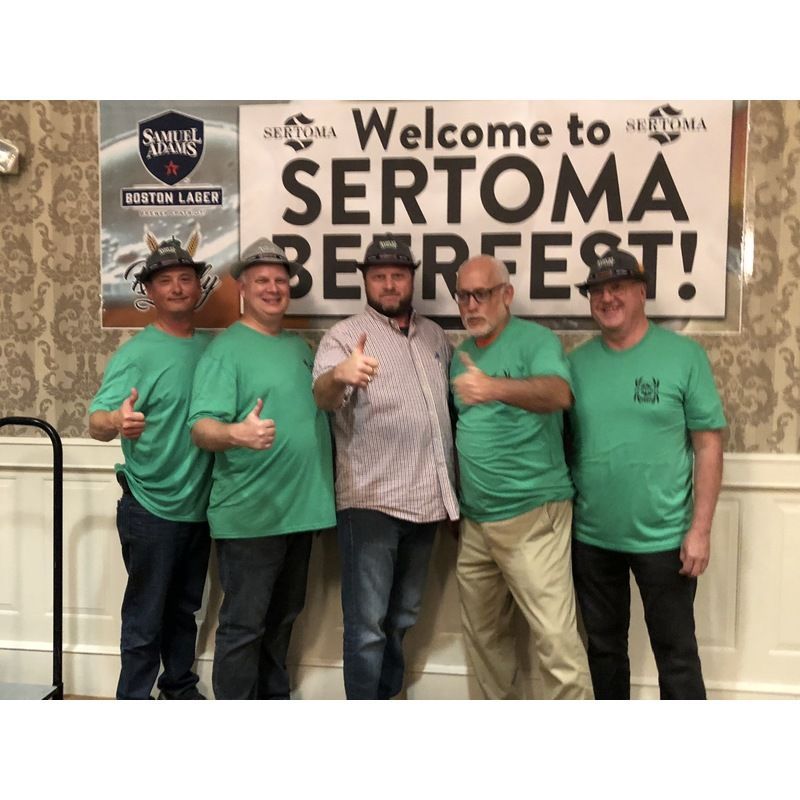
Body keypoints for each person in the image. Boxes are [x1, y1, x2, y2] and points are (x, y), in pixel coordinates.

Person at [568, 248, 726, 700]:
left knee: (676, 655)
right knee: (603, 651)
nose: (606, 298)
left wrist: (701, 529)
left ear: (642, 292)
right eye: (597, 291)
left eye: (617, 287)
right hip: (592, 538)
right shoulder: (575, 365)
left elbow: (708, 443)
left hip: (666, 540)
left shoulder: (683, 356)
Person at [312, 234, 459, 700]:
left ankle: (387, 699)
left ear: (412, 278)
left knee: (402, 619)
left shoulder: (436, 337)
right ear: (365, 281)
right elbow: (323, 396)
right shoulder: (344, 337)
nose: (390, 284)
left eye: (398, 274)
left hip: (427, 503)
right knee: (367, 626)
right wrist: (341, 375)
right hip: (371, 503)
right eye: (379, 276)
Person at [188, 237, 335, 700]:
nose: (273, 289)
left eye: (279, 280)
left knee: (283, 620)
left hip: (300, 511)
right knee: (244, 626)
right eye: (261, 281)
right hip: (251, 515)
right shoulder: (226, 350)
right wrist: (236, 434)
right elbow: (200, 428)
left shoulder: (299, 347)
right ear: (243, 290)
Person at [450, 254, 590, 700]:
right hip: (475, 523)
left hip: (533, 516)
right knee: (485, 644)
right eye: (464, 296)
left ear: (506, 295)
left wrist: (492, 388)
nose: (472, 305)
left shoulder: (536, 341)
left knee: (556, 644)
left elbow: (558, 393)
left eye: (482, 294)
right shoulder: (461, 354)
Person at [89, 236, 213, 700]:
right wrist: (116, 421)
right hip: (150, 508)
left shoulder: (211, 350)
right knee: (145, 614)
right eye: (166, 281)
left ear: (199, 287)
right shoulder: (136, 355)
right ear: (151, 292)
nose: (178, 288)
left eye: (186, 278)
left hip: (199, 507)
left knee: (184, 611)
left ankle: (179, 688)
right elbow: (97, 422)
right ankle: (134, 700)